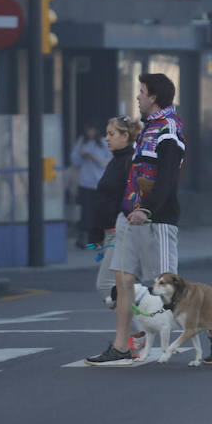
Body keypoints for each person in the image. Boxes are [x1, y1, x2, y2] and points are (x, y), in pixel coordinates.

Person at [87, 73, 212, 366]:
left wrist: (148, 209)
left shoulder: (169, 130)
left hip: (156, 219)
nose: (137, 96)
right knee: (123, 280)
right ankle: (121, 346)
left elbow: (168, 177)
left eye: (141, 92)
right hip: (129, 218)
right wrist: (128, 210)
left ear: (153, 97)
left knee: (169, 290)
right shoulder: (149, 128)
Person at [91, 115, 140, 304]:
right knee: (121, 288)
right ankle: (143, 328)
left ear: (125, 135)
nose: (106, 138)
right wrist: (95, 234)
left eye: (111, 134)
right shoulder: (116, 161)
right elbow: (104, 199)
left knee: (106, 286)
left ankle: (148, 324)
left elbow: (131, 199)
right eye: (106, 134)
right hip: (110, 233)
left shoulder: (129, 162)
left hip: (121, 232)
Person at [71, 122, 111, 248]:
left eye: (92, 130)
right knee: (86, 211)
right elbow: (74, 159)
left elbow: (107, 161)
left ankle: (97, 238)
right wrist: (82, 156)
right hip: (85, 181)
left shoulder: (103, 143)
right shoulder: (82, 141)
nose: (90, 133)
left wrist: (93, 158)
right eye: (88, 130)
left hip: (98, 181)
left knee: (98, 211)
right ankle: (84, 237)